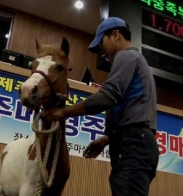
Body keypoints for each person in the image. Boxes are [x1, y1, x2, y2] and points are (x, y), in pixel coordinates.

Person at [42, 17, 159, 196]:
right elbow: (132, 111)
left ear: (115, 35)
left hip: (133, 144)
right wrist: (107, 139)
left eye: (101, 43)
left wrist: (62, 113)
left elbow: (108, 96)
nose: (102, 52)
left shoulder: (126, 56)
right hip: (137, 143)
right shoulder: (137, 60)